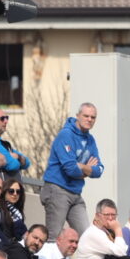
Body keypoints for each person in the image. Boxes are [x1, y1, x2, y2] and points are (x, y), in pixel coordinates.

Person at [40, 102, 102, 238]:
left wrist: (82, 167)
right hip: (57, 190)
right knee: (53, 238)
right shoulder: (66, 135)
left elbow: (99, 170)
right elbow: (71, 169)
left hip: (75, 193)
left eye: (93, 117)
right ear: (78, 116)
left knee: (87, 237)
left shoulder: (90, 140)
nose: (89, 120)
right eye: (86, 116)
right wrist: (88, 170)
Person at [0, 109, 30, 181]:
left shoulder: (3, 143)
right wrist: (18, 159)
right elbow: (12, 165)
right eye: (2, 119)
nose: (6, 121)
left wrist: (17, 156)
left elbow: (27, 163)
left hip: (10, 189)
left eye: (6, 118)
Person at [0, 177, 27, 243]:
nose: (15, 194)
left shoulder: (18, 212)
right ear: (4, 192)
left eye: (18, 191)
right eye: (11, 191)